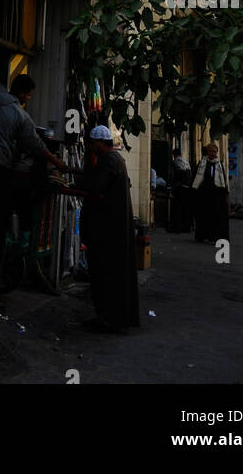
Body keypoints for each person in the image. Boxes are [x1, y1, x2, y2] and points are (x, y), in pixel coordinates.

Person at [0, 74, 66, 265]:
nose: (28, 99)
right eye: (29, 95)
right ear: (21, 93)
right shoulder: (17, 113)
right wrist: (55, 160)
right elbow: (35, 143)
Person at [68, 125, 140, 333]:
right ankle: (109, 316)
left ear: (100, 143)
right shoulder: (116, 160)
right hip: (113, 229)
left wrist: (74, 181)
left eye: (93, 144)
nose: (91, 147)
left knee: (105, 273)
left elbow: (94, 186)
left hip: (108, 230)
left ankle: (109, 317)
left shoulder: (109, 161)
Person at [191, 141, 229, 243]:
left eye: (215, 152)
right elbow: (196, 177)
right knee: (203, 215)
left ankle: (214, 236)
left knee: (216, 216)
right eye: (211, 151)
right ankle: (202, 236)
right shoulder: (202, 163)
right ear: (207, 152)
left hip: (216, 194)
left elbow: (223, 179)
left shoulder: (219, 164)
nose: (213, 154)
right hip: (204, 194)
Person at [169, 145, 193, 233]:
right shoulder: (186, 161)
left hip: (180, 187)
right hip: (187, 187)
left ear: (174, 154)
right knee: (185, 209)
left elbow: (175, 176)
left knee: (177, 208)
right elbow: (189, 175)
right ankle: (186, 227)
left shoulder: (175, 162)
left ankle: (177, 227)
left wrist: (174, 186)